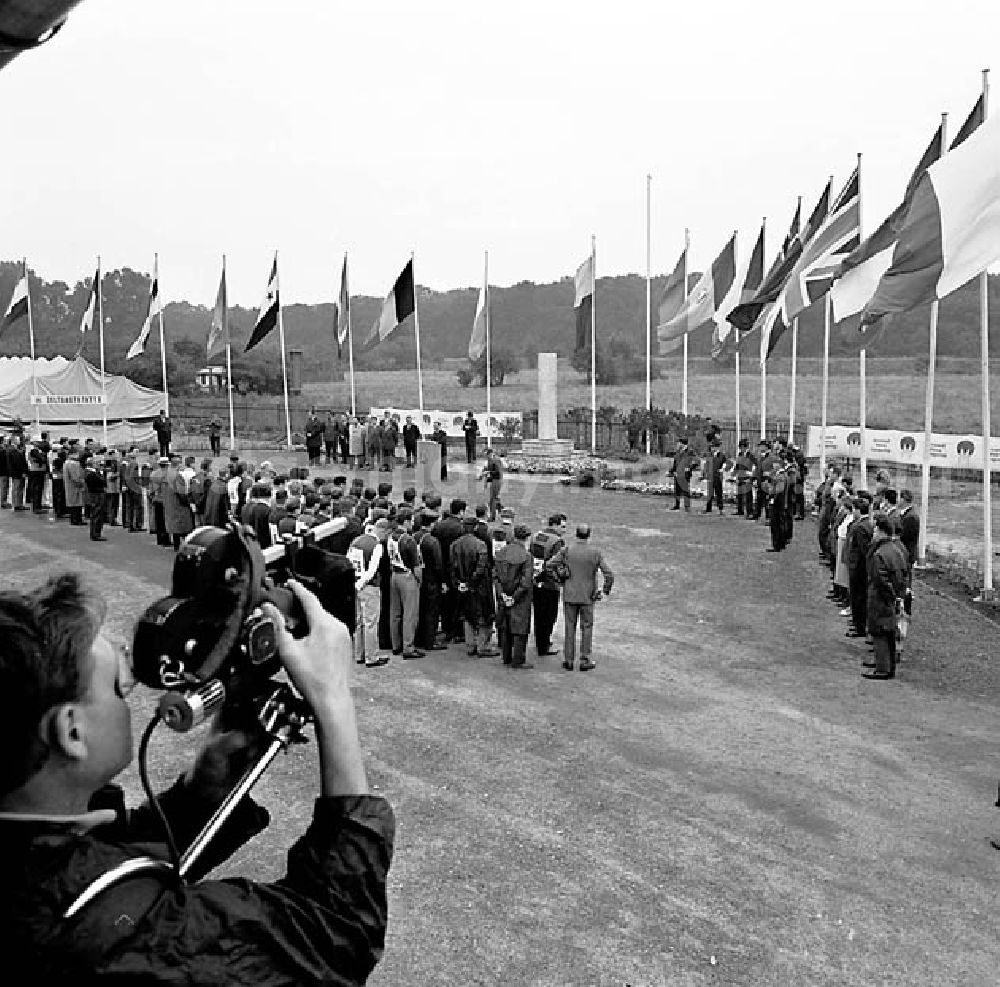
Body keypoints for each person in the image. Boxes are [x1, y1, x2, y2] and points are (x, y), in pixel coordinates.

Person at [0, 571, 394, 983]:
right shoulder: (103, 933)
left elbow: (96, 856)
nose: (130, 699)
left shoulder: (31, 847)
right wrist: (333, 699)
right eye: (118, 690)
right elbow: (336, 934)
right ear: (72, 732)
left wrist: (200, 795)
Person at [550, 524, 614, 672]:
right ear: (589, 535)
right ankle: (585, 659)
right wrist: (604, 591)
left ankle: (569, 660)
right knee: (587, 627)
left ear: (576, 534)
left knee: (569, 627)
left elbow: (549, 565)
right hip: (587, 596)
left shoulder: (567, 550)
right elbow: (609, 574)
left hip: (570, 594)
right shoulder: (595, 552)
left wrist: (559, 579)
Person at [864, 513, 909, 680]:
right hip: (893, 597)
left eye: (876, 529)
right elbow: (903, 575)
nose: (874, 532)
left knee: (879, 632)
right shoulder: (897, 550)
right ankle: (887, 665)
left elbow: (880, 580)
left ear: (881, 531)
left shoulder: (879, 554)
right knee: (889, 632)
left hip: (880, 599)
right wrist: (898, 596)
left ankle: (882, 668)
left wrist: (889, 596)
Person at [349, 517, 392, 667]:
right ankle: (371, 656)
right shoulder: (377, 546)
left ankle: (359, 653)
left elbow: (349, 562)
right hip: (368, 586)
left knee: (359, 621)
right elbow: (372, 570)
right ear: (383, 531)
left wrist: (354, 584)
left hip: (355, 583)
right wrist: (361, 584)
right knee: (371, 622)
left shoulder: (356, 541)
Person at [493, 524, 534, 668]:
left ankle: (506, 657)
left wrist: (502, 594)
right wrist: (514, 597)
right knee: (520, 629)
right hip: (520, 599)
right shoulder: (526, 556)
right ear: (527, 538)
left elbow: (496, 577)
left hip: (503, 595)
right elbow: (526, 582)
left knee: (505, 627)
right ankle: (518, 660)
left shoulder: (501, 553)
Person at [387, 509, 423, 659]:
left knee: (395, 613)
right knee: (410, 614)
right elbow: (416, 565)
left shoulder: (391, 536)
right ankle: (408, 647)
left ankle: (396, 645)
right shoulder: (408, 540)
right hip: (407, 576)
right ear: (407, 521)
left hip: (394, 574)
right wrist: (419, 580)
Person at [530, 514, 566, 657]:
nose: (564, 530)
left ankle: (540, 641)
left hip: (535, 580)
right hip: (550, 583)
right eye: (562, 526)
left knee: (538, 613)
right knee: (550, 615)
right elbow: (557, 563)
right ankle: (543, 646)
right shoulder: (557, 541)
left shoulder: (536, 536)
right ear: (555, 525)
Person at [82, 453, 108, 542]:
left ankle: (96, 532)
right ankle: (95, 533)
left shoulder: (92, 473)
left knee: (97, 514)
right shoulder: (91, 474)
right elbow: (101, 482)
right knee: (97, 514)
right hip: (96, 494)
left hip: (96, 494)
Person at [669, 436, 694, 512]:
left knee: (685, 490)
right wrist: (671, 471)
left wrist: (689, 468)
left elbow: (695, 462)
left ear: (683, 444)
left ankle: (687, 506)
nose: (678, 444)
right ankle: (677, 505)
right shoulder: (678, 452)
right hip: (678, 474)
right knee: (677, 490)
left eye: (679, 443)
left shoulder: (690, 452)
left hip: (685, 474)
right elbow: (675, 463)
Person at [702, 440, 726, 515]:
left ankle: (721, 509)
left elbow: (725, 464)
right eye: (712, 447)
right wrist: (704, 474)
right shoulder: (709, 455)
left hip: (718, 476)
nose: (713, 448)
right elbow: (706, 465)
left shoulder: (721, 455)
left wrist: (722, 469)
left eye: (714, 447)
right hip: (710, 476)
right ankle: (708, 508)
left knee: (719, 493)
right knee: (710, 493)